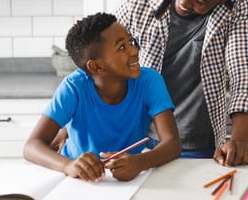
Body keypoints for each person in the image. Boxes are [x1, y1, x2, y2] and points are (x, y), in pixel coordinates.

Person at [116, 0, 248, 166]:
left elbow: (244, 71)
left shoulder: (238, 3)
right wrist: (68, 127)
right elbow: (103, 63)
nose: (184, 1)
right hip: (139, 137)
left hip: (198, 142)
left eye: (200, 1)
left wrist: (239, 140)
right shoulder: (138, 1)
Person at [24, 12, 181, 182]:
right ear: (96, 67)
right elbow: (31, 146)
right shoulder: (74, 87)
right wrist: (68, 165)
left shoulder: (150, 81)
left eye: (130, 42)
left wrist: (139, 162)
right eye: (122, 47)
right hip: (76, 178)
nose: (134, 50)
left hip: (127, 177)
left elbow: (172, 144)